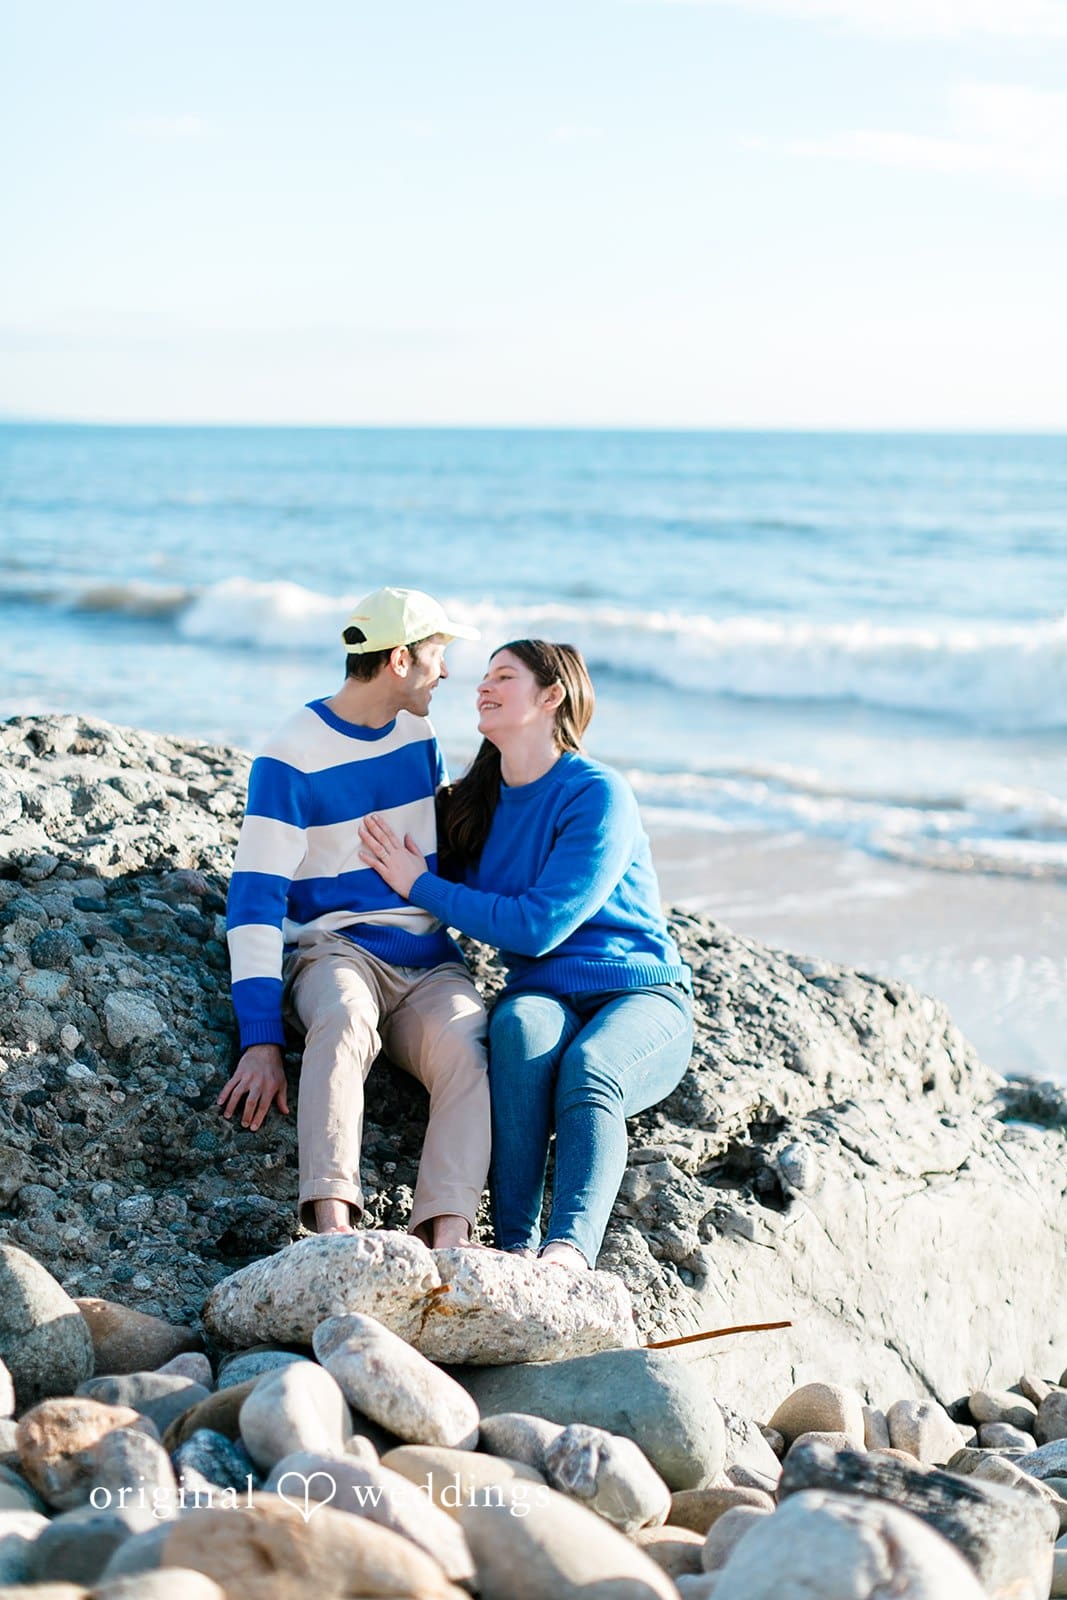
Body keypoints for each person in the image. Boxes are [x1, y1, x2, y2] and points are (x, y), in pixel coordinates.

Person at [358, 638, 693, 1271]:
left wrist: (420, 883)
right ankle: (515, 1246)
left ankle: (567, 1251)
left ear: (551, 696)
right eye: (483, 677)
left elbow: (538, 925)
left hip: (639, 992)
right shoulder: (471, 806)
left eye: (503, 676)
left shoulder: (597, 793)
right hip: (542, 992)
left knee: (591, 1068)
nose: (482, 686)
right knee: (513, 1027)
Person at [220, 586, 490, 1247]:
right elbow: (254, 899)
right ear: (399, 660)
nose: (448, 672)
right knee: (342, 1021)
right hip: (332, 952)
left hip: (425, 961)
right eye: (437, 656)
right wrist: (259, 1039)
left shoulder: (419, 736)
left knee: (469, 1043)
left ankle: (449, 1239)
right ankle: (333, 1230)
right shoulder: (291, 754)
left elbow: (431, 858)